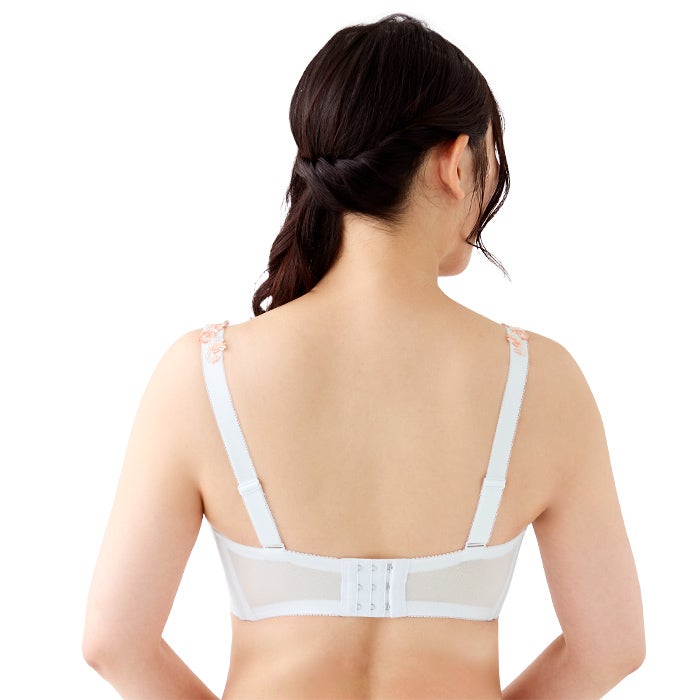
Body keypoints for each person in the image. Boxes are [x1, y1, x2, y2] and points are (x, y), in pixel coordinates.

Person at [82, 13, 645, 699]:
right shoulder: (544, 383)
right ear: (455, 161)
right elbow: (611, 646)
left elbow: (114, 642)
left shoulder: (203, 375)